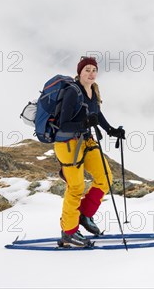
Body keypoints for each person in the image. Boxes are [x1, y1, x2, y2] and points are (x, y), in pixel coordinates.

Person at [54, 56, 126, 247]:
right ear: (79, 72)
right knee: (76, 187)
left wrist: (111, 130)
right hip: (68, 144)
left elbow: (97, 114)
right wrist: (84, 123)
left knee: (105, 178)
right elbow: (64, 124)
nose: (91, 73)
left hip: (86, 141)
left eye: (94, 70)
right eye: (87, 70)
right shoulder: (72, 92)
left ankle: (84, 215)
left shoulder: (93, 91)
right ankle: (68, 232)